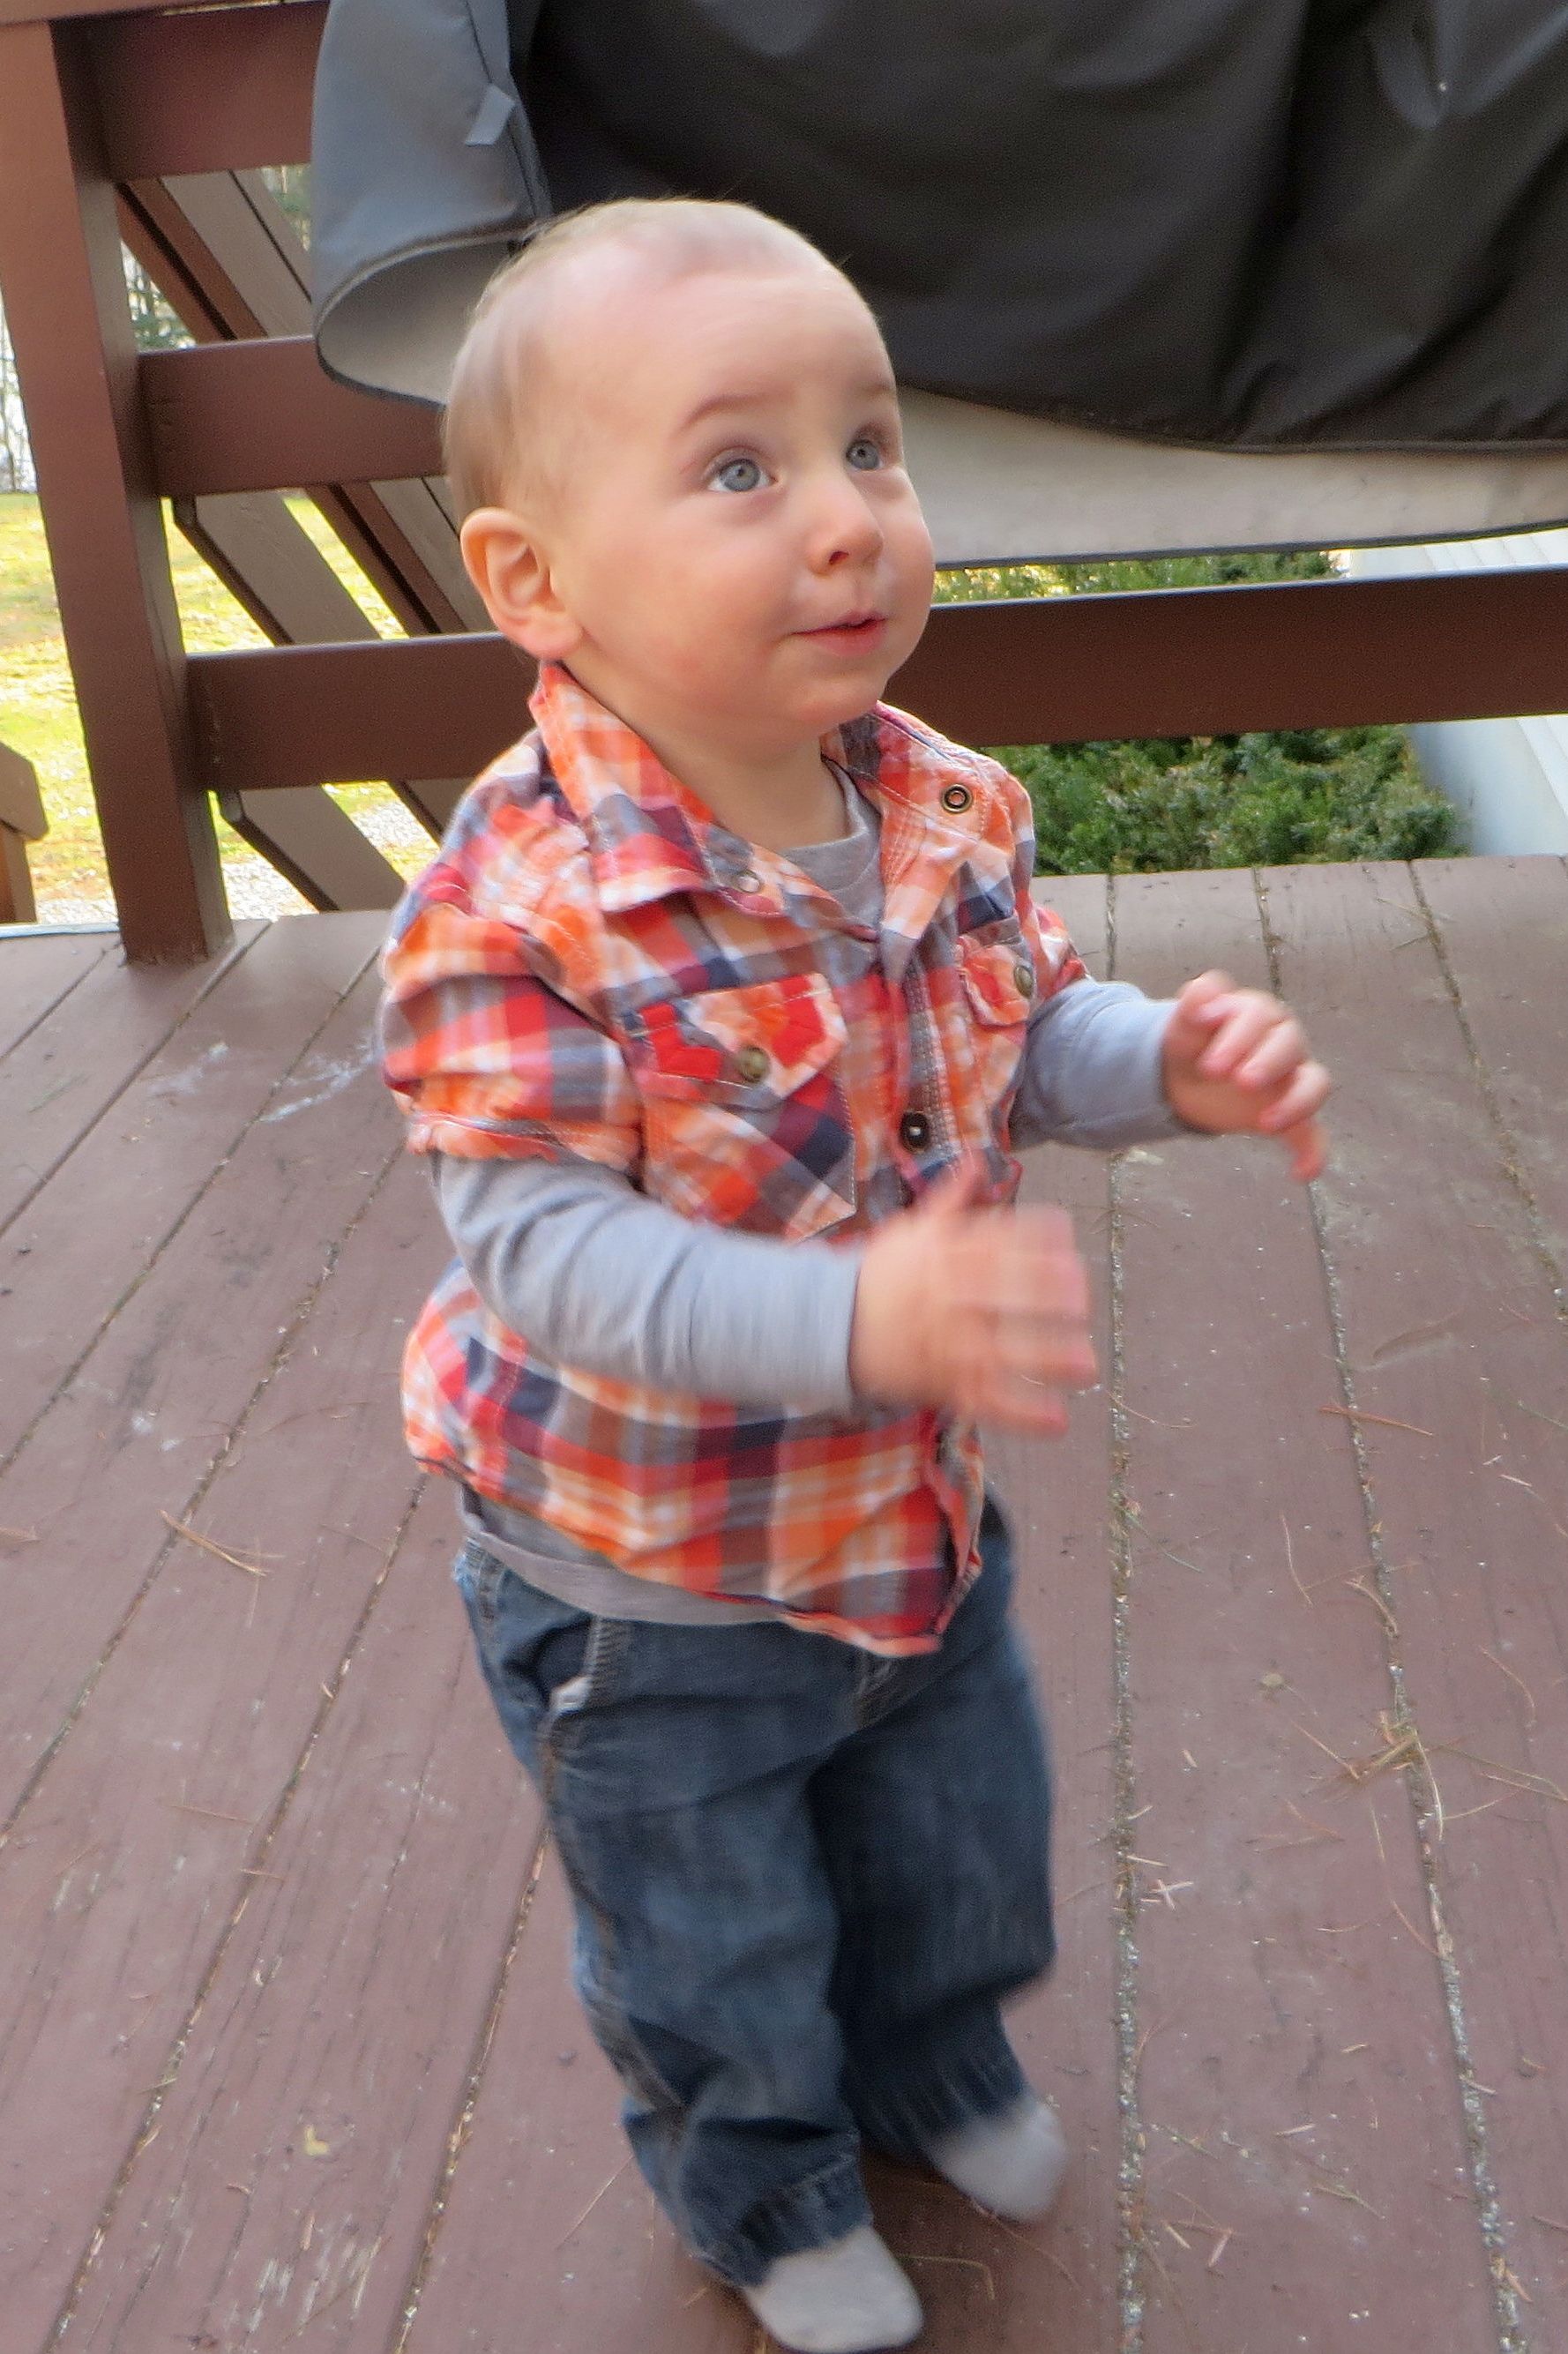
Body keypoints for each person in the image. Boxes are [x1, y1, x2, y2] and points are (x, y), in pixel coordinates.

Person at [379, 196, 1330, 2354]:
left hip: (908, 1523)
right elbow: (540, 1253)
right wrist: (853, 1322)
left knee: (958, 1840)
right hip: (647, 1588)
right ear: (535, 581)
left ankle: (925, 2060)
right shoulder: (516, 909)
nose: (846, 516)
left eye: (869, 445)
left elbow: (1022, 1035)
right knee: (708, 1936)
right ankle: (766, 2180)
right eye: (740, 467)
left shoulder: (939, 806)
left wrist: (1163, 1067)